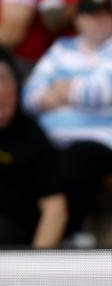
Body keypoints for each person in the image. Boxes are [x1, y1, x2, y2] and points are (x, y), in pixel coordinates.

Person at [23, 0, 112, 235]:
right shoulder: (61, 48)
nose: (101, 21)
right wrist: (74, 89)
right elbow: (30, 96)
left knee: (74, 162)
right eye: (93, 15)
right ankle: (26, 240)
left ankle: (68, 237)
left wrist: (59, 89)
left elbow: (101, 92)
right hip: (55, 139)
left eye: (106, 15)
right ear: (79, 19)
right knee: (26, 158)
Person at [0, 48, 66, 248]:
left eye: (4, 81)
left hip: (15, 242)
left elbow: (55, 207)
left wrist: (35, 266)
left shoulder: (31, 135)